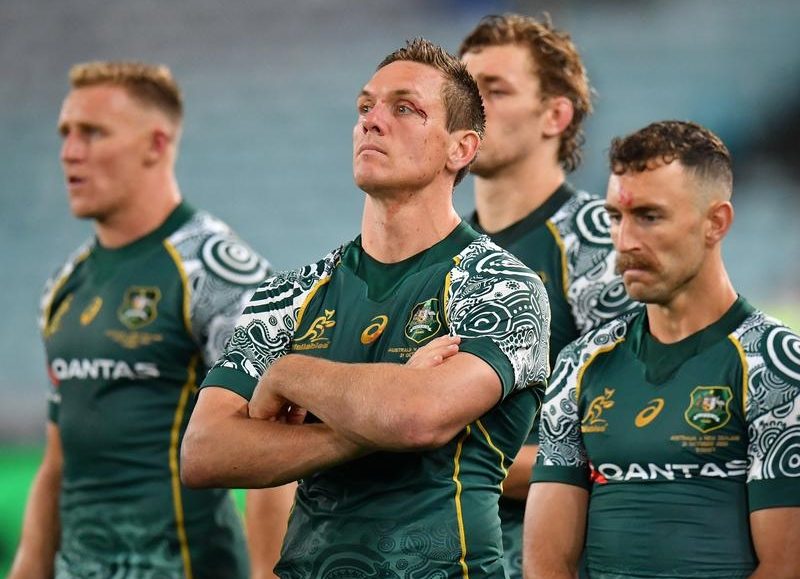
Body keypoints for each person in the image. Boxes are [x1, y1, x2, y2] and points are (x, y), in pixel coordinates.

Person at [180, 39, 551, 578]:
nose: (372, 121)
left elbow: (418, 419)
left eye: (405, 109)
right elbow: (205, 452)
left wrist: (290, 374)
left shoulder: (500, 285)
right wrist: (365, 421)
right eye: (365, 107)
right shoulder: (290, 294)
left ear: (461, 149)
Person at [9, 61, 290, 579]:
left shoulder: (218, 272)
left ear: (156, 144)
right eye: (65, 133)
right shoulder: (64, 286)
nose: (70, 152)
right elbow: (57, 464)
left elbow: (276, 457)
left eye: (93, 133)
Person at [525, 120, 800, 578]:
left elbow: (787, 565)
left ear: (716, 223)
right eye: (616, 217)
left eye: (649, 216)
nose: (625, 242)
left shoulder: (775, 363)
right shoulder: (580, 364)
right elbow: (546, 563)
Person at [458, 13, 637, 575]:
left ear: (555, 115)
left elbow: (638, 440)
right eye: (461, 91)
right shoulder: (441, 255)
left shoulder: (601, 243)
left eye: (494, 91)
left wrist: (439, 458)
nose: (468, 108)